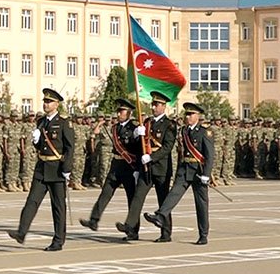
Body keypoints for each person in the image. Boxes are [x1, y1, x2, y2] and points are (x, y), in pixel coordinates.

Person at [8, 88, 75, 251]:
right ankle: (21, 232)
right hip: (42, 167)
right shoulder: (41, 122)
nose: (45, 104)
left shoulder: (64, 122)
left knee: (58, 207)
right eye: (44, 101)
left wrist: (67, 169)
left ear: (57, 104)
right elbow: (40, 146)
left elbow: (70, 147)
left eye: (49, 102)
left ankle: (58, 241)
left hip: (57, 169)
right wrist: (36, 141)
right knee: (32, 201)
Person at [144, 102, 215, 245]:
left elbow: (210, 155)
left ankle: (203, 234)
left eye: (191, 114)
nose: (187, 117)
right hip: (184, 169)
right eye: (186, 114)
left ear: (198, 116)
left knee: (201, 204)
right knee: (173, 194)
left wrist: (207, 175)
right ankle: (160, 215)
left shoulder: (205, 132)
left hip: (198, 171)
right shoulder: (183, 131)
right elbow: (181, 152)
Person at [117, 91, 177, 242]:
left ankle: (166, 233)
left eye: (157, 104)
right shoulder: (147, 122)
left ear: (164, 106)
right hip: (145, 167)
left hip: (161, 166)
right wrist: (137, 135)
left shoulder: (169, 124)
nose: (154, 107)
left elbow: (168, 146)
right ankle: (130, 225)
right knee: (138, 196)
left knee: (162, 200)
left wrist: (152, 157)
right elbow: (139, 147)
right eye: (153, 104)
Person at [80, 98, 142, 232]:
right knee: (105, 193)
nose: (119, 114)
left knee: (132, 199)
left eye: (122, 111)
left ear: (129, 113)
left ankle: (133, 229)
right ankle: (94, 220)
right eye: (118, 111)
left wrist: (137, 137)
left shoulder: (135, 128)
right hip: (116, 165)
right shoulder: (115, 128)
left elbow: (138, 149)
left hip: (129, 167)